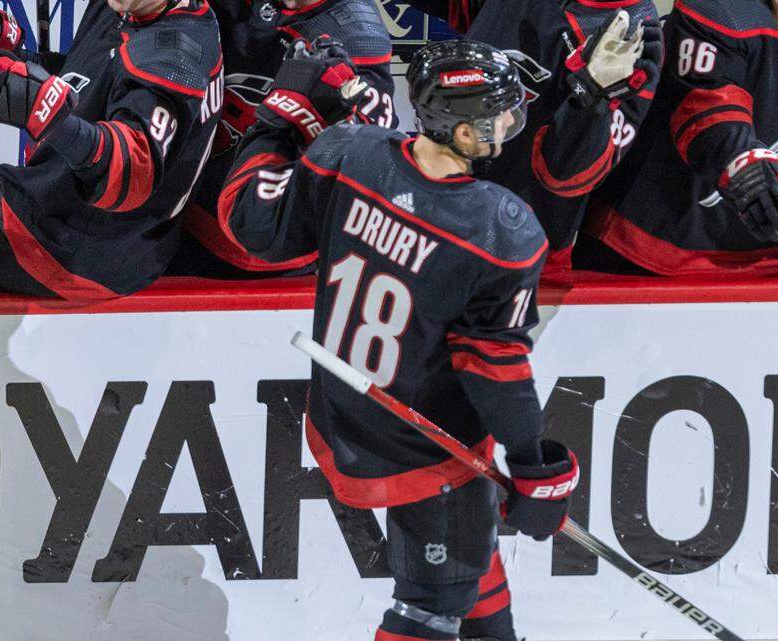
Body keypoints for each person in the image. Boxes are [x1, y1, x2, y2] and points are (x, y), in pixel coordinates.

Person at [218, 39, 578, 641]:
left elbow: (255, 227)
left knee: (469, 562)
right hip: (429, 444)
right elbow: (493, 365)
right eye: (499, 114)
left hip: (345, 412)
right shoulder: (499, 228)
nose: (513, 122)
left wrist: (273, 126)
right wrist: (530, 462)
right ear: (463, 134)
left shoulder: (348, 152)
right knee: (431, 606)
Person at [0, 0, 222, 299]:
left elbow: (132, 175)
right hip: (62, 217)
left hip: (76, 248)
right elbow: (92, 80)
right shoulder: (128, 7)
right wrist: (1, 52)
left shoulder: (174, 54)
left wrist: (52, 118)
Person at [573, 0, 778, 274]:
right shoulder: (717, 8)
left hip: (760, 258)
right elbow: (704, 107)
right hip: (645, 243)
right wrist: (747, 164)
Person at [404, 0, 663, 270]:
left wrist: (591, 94)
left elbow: (567, 177)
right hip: (432, 216)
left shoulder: (637, 35)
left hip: (514, 254)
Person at [170, 0, 399, 278]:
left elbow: (362, 171)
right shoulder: (213, 8)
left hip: (284, 251)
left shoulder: (358, 38)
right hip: (188, 229)